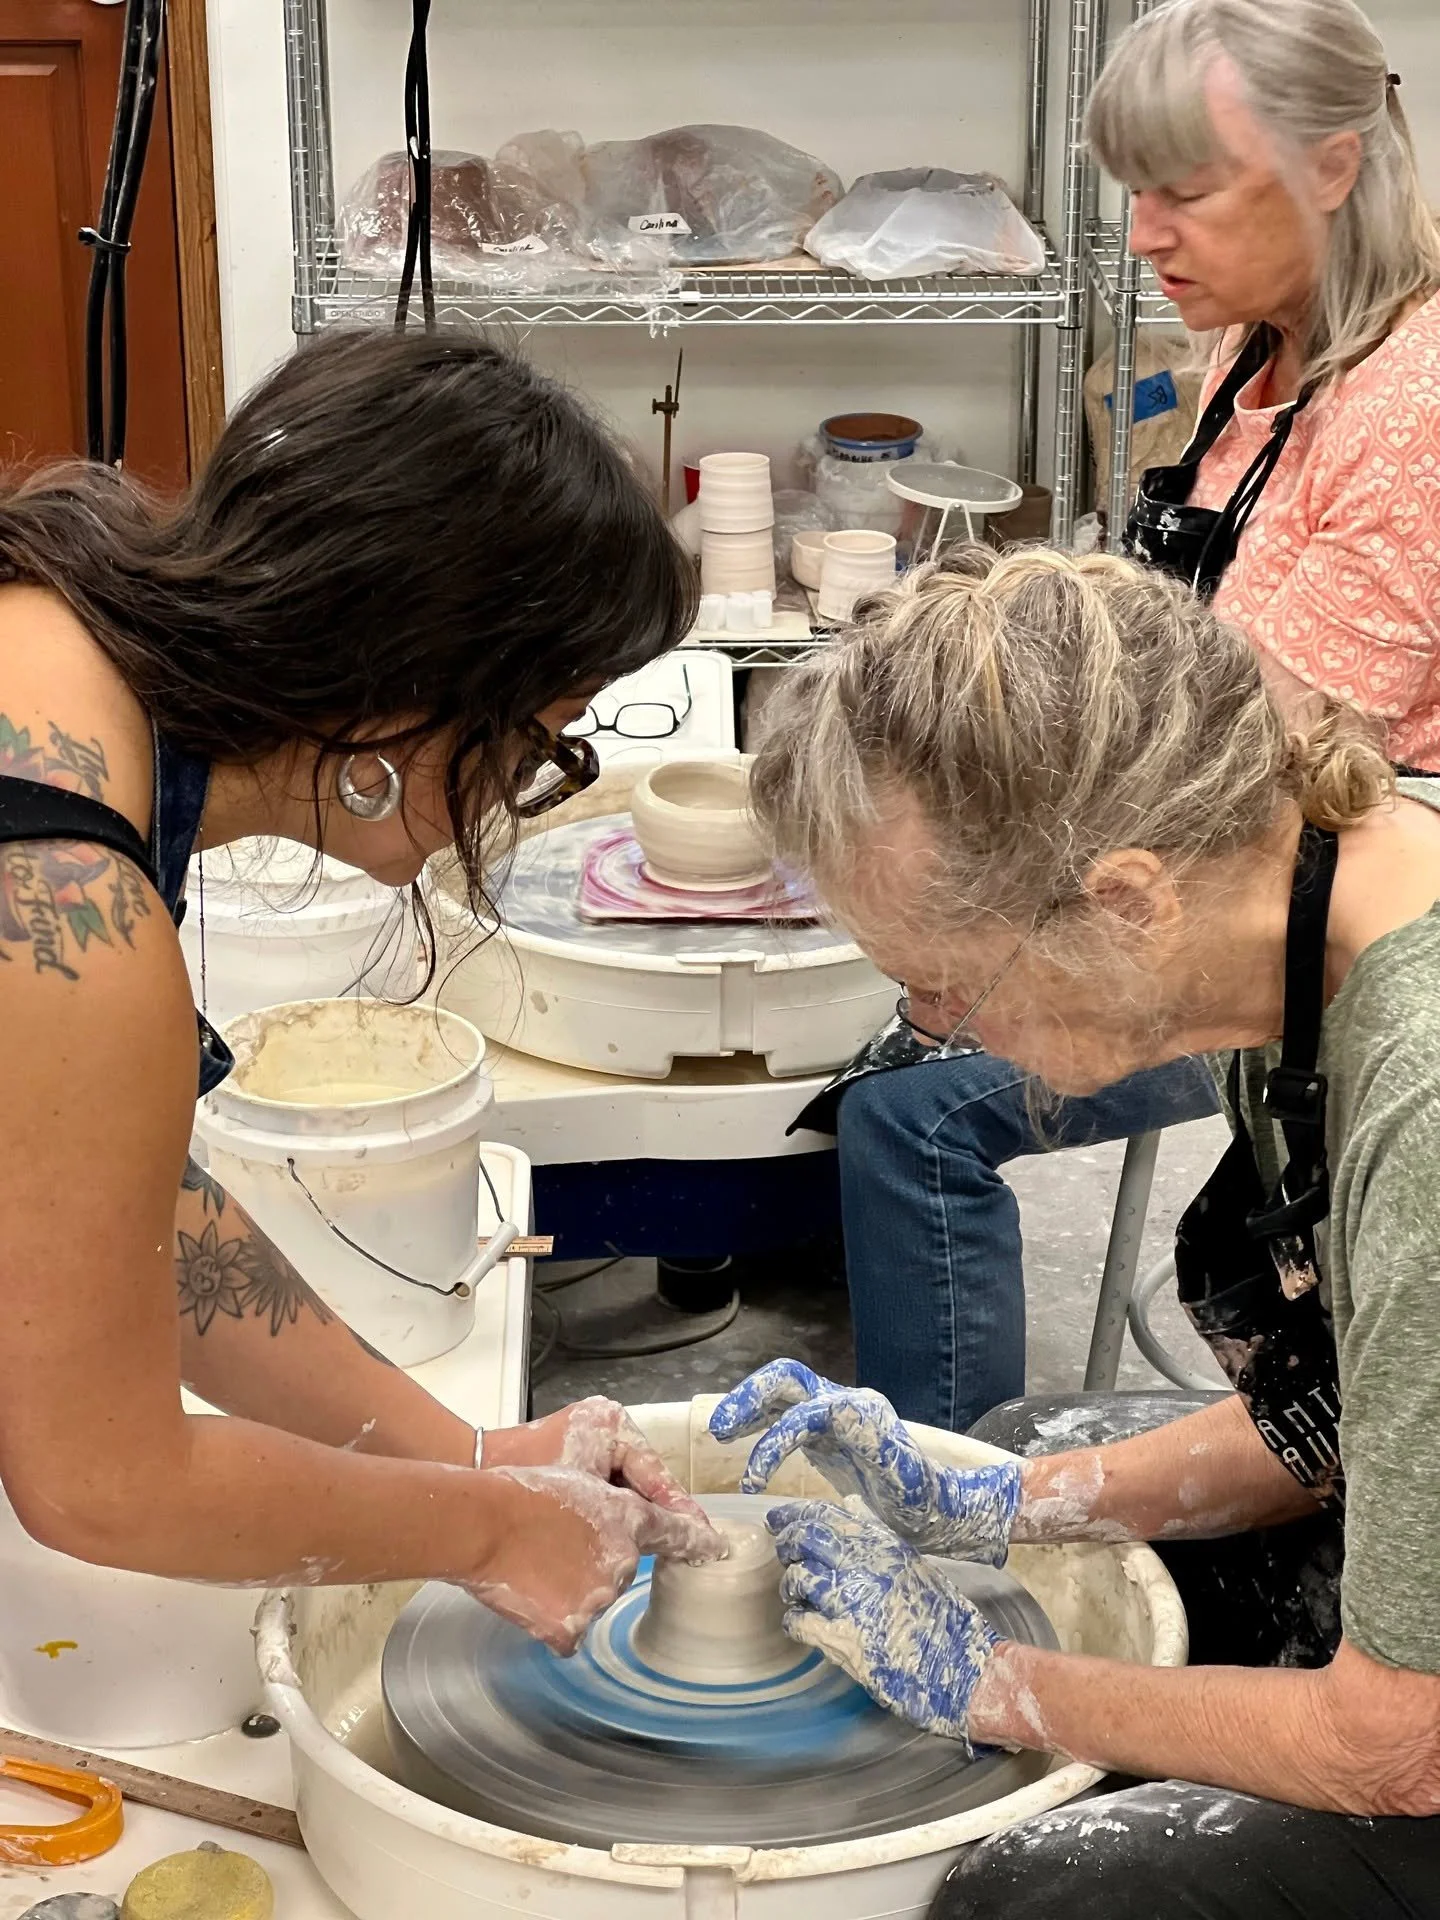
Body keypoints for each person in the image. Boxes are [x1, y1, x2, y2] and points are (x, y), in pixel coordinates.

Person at [710, 542, 1440, 1914]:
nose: (932, 1033)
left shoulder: (1425, 1093)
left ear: (1124, 902)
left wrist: (992, 1683)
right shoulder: (1292, 912)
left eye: (944, 985)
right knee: (1021, 1455)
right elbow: (1352, 1415)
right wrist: (1000, 1502)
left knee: (1034, 1897)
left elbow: (1403, 1742)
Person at [0, 326, 723, 1652]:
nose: (525, 791)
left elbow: (123, 1204)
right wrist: (490, 1532)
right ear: (400, 701)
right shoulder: (63, 902)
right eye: (543, 744)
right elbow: (102, 1482)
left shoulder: (59, 638)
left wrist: (472, 1456)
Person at [834, 0, 1440, 1433]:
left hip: (1292, 921)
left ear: (1335, 166)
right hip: (1191, 850)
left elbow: (1265, 763)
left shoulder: (1414, 409)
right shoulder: (1260, 353)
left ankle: (951, 1491)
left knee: (911, 1108)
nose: (1146, 234)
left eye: (1187, 192)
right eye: (1134, 192)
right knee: (900, 966)